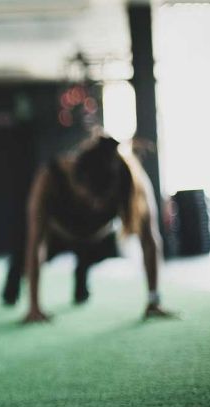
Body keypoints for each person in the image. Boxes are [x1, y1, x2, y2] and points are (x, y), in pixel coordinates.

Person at [10, 134, 174, 323]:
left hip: (97, 239)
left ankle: (82, 269)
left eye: (101, 201)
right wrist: (34, 307)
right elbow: (36, 242)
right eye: (90, 198)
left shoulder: (130, 181)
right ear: (77, 180)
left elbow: (149, 239)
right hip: (57, 236)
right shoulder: (50, 177)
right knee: (21, 259)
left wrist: (153, 299)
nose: (95, 206)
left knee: (103, 249)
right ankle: (13, 281)